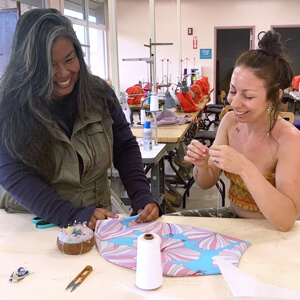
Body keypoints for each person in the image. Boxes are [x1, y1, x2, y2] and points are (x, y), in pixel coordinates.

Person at [0, 8, 160, 229]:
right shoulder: (9, 104)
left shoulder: (99, 94)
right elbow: (13, 173)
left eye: (69, 59)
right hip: (36, 224)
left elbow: (124, 147)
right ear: (30, 67)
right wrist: (70, 215)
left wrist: (141, 194)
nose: (64, 73)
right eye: (50, 66)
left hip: (95, 219)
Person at [171, 31, 300, 232]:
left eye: (248, 96)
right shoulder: (231, 122)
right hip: (233, 219)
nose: (234, 102)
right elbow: (206, 182)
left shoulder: (289, 140)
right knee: (170, 228)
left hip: (270, 230)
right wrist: (203, 165)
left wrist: (244, 168)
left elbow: (286, 221)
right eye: (232, 91)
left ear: (274, 97)